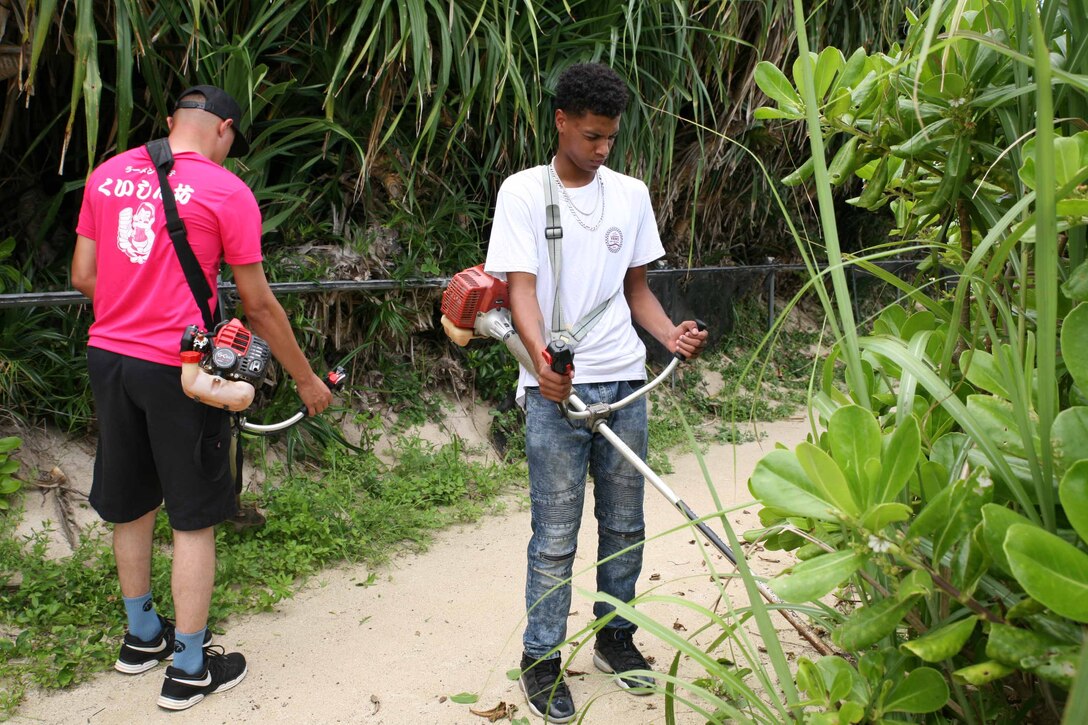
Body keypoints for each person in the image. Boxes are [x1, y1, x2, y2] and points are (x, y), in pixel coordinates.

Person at [70, 85, 333, 711]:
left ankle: (141, 636)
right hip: (181, 370)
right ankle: (188, 667)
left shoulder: (106, 176)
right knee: (193, 514)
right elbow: (258, 304)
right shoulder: (226, 190)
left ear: (169, 123)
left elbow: (83, 276)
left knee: (131, 502)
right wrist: (305, 379)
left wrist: (131, 317)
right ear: (226, 130)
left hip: (109, 357)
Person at [484, 63, 708, 722]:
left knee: (626, 524)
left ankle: (616, 637)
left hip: (625, 378)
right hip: (558, 390)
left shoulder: (631, 194)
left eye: (609, 137)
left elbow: (635, 287)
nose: (602, 147)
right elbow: (519, 288)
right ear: (561, 121)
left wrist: (671, 335)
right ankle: (541, 657)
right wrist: (542, 363)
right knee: (554, 535)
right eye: (590, 135)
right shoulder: (522, 193)